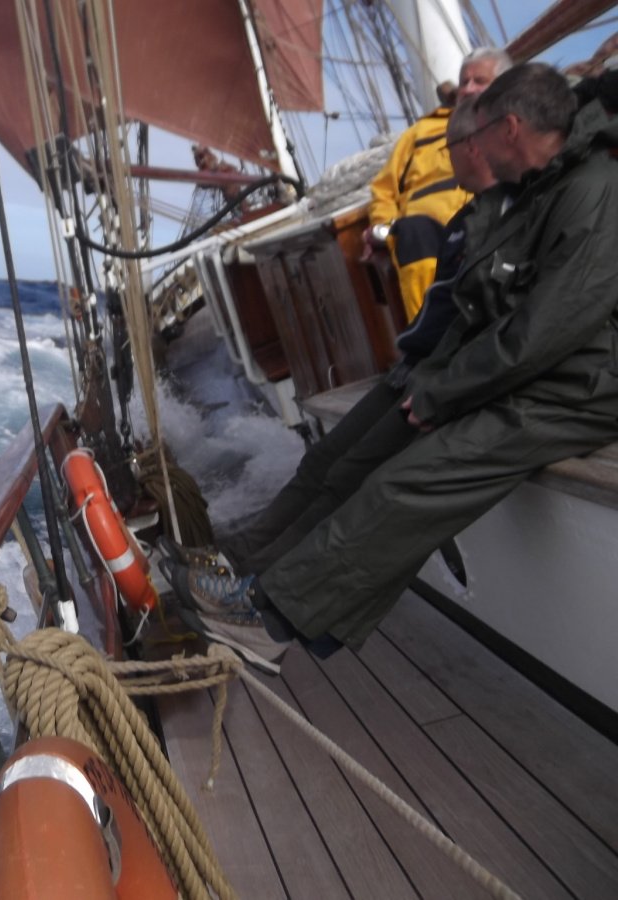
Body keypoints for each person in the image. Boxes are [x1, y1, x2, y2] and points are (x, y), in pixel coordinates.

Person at [173, 63, 618, 667]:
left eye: (476, 135)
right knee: (363, 465)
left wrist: (445, 388)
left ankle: (270, 618)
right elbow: (490, 306)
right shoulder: (544, 186)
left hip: (579, 385)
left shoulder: (592, 190)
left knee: (406, 482)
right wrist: (436, 377)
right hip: (539, 368)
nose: (469, 150)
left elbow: (545, 328)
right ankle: (272, 597)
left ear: (509, 129)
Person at [160, 99, 501, 662]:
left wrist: (447, 382)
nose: (448, 156)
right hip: (427, 363)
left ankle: (263, 607)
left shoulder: (514, 211)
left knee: (379, 489)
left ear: (499, 133)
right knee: (330, 465)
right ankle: (244, 567)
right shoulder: (471, 209)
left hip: (455, 376)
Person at [365, 48, 512, 321]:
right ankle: (429, 333)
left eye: (479, 81)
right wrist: (383, 227)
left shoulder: (515, 122)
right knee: (414, 232)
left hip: (488, 220)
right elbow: (384, 189)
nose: (467, 89)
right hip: (426, 235)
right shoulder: (419, 134)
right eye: (464, 81)